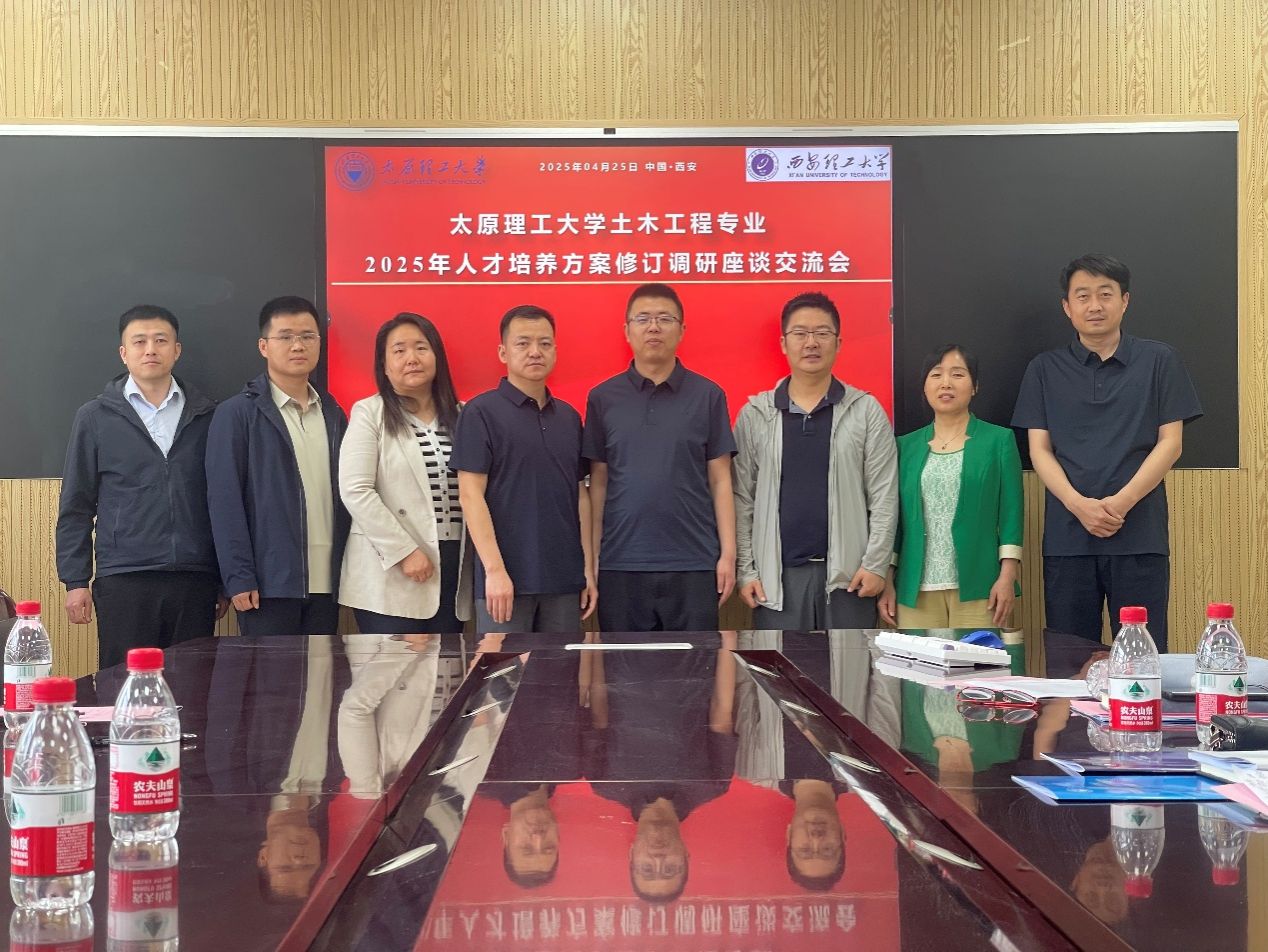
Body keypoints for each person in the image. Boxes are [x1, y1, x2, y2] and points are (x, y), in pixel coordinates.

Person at [1012, 254, 1202, 651]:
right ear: (1067, 306)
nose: (1094, 305)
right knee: (1069, 658)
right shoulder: (1044, 369)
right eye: (1083, 296)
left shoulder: (1159, 361)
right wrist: (1079, 505)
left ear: (1124, 300)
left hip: (1139, 535)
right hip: (1068, 539)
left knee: (1142, 656)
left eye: (1105, 294)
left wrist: (1120, 503)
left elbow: (1171, 443)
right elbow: (1039, 450)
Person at [56, 304, 224, 670]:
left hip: (194, 577)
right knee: (124, 686)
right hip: (124, 578)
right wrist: (76, 580)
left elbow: (224, 503)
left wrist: (226, 580)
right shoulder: (95, 417)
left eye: (161, 340)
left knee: (192, 686)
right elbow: (76, 506)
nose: (150, 349)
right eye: (139, 341)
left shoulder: (209, 415)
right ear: (124, 352)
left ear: (176, 350)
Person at [733, 291, 897, 630]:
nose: (811, 343)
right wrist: (746, 570)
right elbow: (741, 499)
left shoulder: (865, 411)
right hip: (777, 578)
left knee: (852, 666)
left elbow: (884, 496)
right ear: (783, 343)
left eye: (822, 333)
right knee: (780, 666)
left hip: (851, 579)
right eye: (800, 333)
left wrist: (876, 564)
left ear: (838, 342)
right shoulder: (756, 414)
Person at [584, 283, 736, 632]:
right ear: (627, 330)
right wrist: (592, 560)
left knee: (697, 665)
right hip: (621, 564)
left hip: (694, 562)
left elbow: (721, 480)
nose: (654, 327)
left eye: (665, 319)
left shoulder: (708, 395)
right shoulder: (603, 398)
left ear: (682, 330)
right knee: (623, 665)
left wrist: (728, 555)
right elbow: (598, 484)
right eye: (643, 319)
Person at [206, 296, 350, 636]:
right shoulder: (237, 414)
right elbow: (224, 501)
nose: (298, 345)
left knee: (323, 669)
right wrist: (238, 576)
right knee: (271, 671)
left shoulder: (333, 413)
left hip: (329, 582)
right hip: (268, 583)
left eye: (308, 336)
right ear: (264, 346)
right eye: (285, 336)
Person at [450, 304, 596, 633]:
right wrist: (494, 571)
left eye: (544, 343)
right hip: (504, 584)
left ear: (555, 351)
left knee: (562, 667)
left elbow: (579, 496)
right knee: (504, 667)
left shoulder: (569, 418)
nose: (535, 352)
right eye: (523, 343)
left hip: (564, 581)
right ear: (503, 352)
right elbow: (470, 495)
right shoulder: (480, 413)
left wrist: (586, 569)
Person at [338, 314, 472, 634]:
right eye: (399, 350)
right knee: (396, 665)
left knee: (447, 665)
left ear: (437, 356)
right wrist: (404, 551)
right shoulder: (370, 413)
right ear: (384, 366)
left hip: (454, 567)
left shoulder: (464, 415)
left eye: (421, 348)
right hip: (390, 569)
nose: (412, 358)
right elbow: (356, 489)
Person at [879, 345, 1024, 629]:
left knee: (978, 658)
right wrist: (887, 580)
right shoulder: (905, 446)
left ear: (974, 386)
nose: (946, 383)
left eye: (957, 374)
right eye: (936, 375)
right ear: (925, 386)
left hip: (981, 586)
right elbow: (894, 523)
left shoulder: (998, 441)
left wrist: (1007, 577)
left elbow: (1011, 514)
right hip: (914, 589)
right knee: (916, 659)